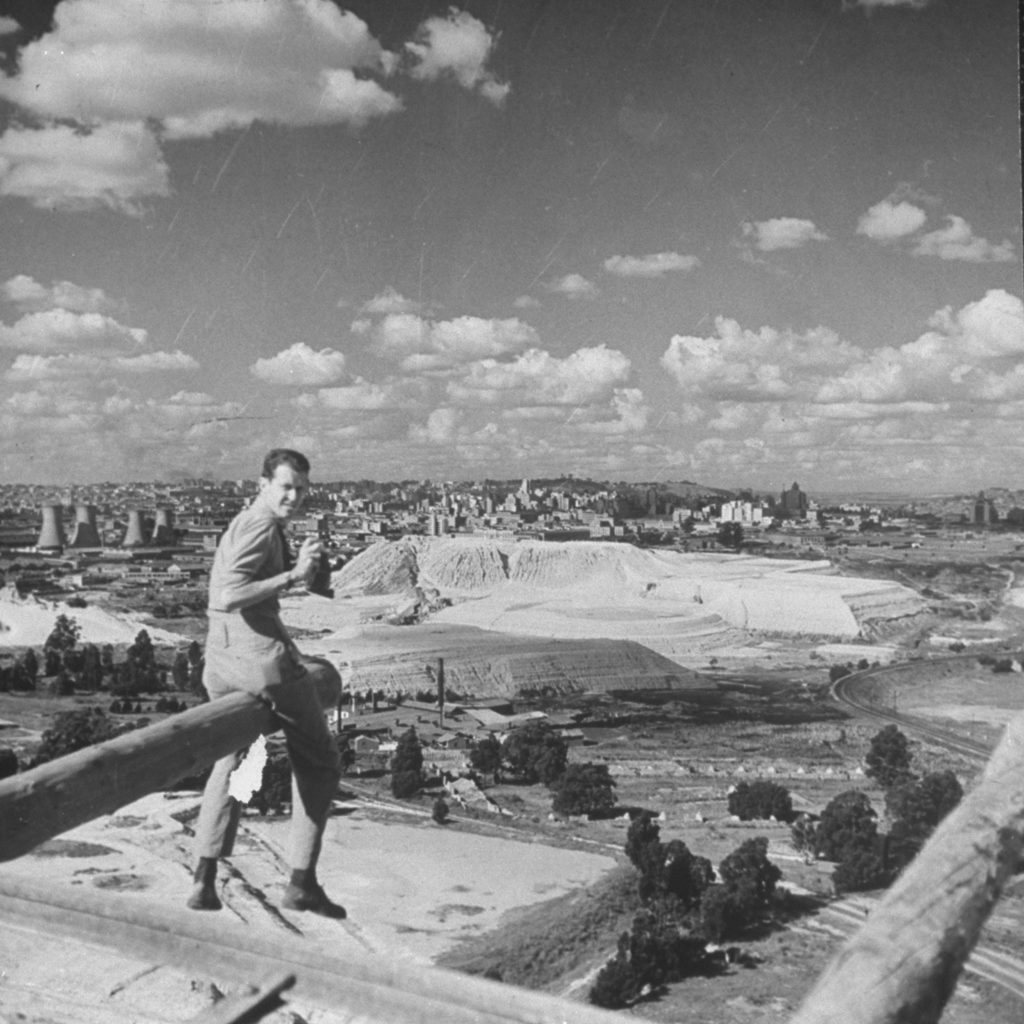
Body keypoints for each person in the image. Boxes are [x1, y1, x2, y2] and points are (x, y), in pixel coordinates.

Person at [186, 448, 345, 918]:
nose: (294, 497)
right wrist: (294, 575)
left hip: (221, 659)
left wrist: (309, 573)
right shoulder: (259, 524)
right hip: (258, 662)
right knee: (318, 762)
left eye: (301, 489)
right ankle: (301, 881)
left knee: (233, 759)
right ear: (262, 484)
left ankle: (204, 876)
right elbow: (228, 594)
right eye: (286, 488)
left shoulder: (254, 522)